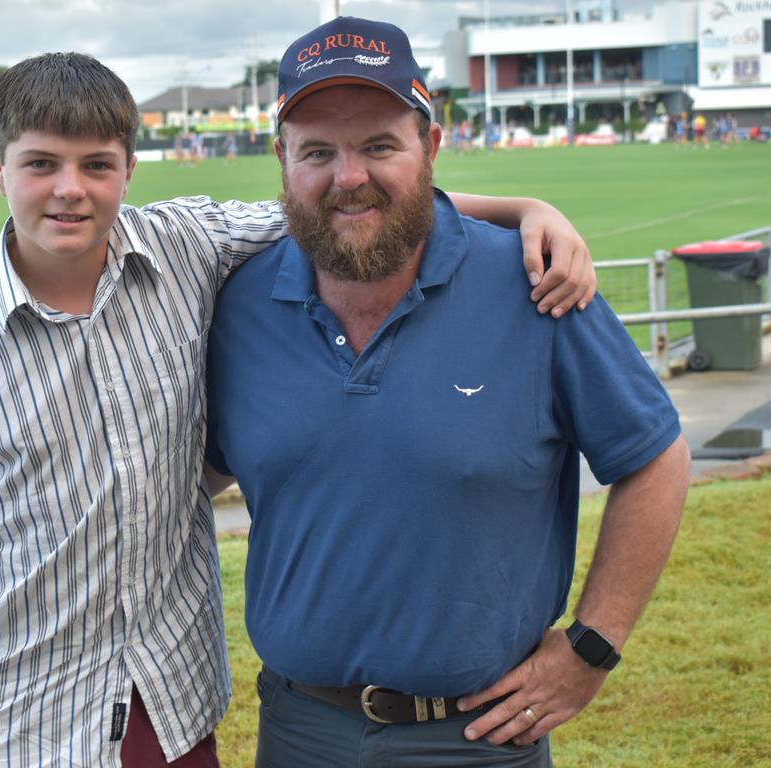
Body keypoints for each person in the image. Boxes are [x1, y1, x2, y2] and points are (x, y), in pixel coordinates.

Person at [0, 51, 596, 768]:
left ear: (128, 169)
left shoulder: (186, 247)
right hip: (15, 720)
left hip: (169, 706)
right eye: (40, 165)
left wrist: (526, 209)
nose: (70, 190)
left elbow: (346, 204)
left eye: (96, 164)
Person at [205, 17, 690, 768]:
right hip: (297, 731)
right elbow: (194, 478)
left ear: (430, 148)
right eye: (318, 152)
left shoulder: (539, 284)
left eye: (378, 146)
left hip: (477, 740)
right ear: (282, 161)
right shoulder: (238, 305)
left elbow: (654, 459)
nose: (348, 176)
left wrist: (592, 646)